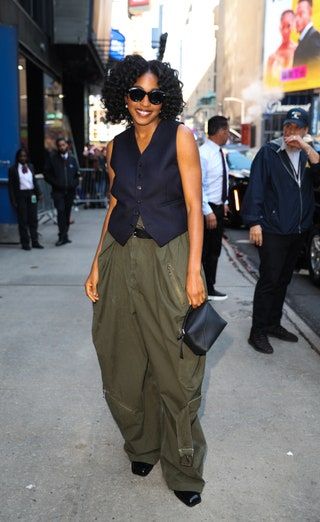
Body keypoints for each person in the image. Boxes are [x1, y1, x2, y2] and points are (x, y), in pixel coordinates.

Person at [85, 55, 207, 508]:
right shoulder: (115, 147)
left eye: (154, 95)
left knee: (176, 367)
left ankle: (183, 468)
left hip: (169, 257)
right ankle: (141, 445)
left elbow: (195, 209)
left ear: (165, 99)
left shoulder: (182, 138)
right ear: (123, 95)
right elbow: (115, 205)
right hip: (121, 253)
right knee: (121, 356)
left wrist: (194, 272)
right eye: (136, 93)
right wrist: (97, 263)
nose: (144, 102)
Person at [241, 108, 320, 354]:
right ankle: (258, 332)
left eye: (296, 128)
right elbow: (256, 187)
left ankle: (274, 324)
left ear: (305, 131)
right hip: (273, 229)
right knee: (269, 280)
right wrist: (254, 222)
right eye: (287, 127)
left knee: (284, 280)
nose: (290, 133)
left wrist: (308, 149)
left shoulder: (309, 155)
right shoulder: (269, 153)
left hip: (297, 230)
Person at [199, 115, 229, 301]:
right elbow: (198, 185)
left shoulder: (219, 152)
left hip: (217, 208)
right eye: (227, 131)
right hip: (207, 209)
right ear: (221, 131)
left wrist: (224, 203)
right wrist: (207, 211)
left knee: (214, 250)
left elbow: (221, 181)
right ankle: (204, 288)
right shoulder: (203, 153)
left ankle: (209, 287)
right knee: (205, 251)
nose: (228, 136)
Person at [44, 138, 79, 246]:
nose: (62, 147)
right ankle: (61, 236)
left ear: (67, 145)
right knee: (60, 212)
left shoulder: (72, 159)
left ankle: (65, 235)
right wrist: (56, 183)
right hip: (58, 192)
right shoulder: (52, 159)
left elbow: (77, 175)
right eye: (60, 145)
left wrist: (74, 183)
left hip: (70, 192)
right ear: (57, 147)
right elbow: (46, 174)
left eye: (63, 145)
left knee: (67, 213)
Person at [8, 148, 44, 250]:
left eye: (24, 156)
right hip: (21, 196)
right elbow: (11, 187)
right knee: (23, 220)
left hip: (31, 194)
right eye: (21, 156)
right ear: (18, 157)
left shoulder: (31, 167)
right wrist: (13, 200)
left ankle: (35, 241)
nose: (23, 158)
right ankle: (25, 243)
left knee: (33, 219)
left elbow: (34, 181)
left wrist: (39, 193)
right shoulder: (13, 169)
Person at [266, 10, 297, 80]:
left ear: (294, 26)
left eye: (288, 26)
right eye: (283, 27)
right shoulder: (273, 57)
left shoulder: (300, 50)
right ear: (280, 28)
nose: (285, 31)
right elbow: (268, 82)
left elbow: (305, 73)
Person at [293, 0, 320, 67]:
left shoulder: (314, 37)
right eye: (296, 15)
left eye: (301, 14)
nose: (297, 19)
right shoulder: (304, 39)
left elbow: (315, 70)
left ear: (310, 13)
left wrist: (288, 74)